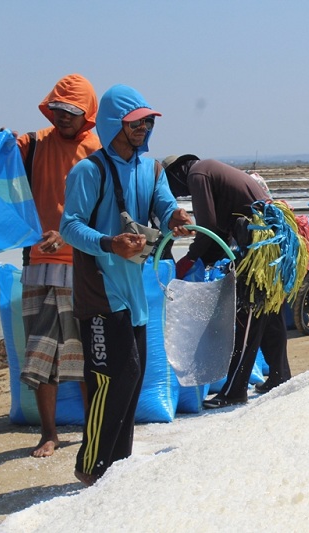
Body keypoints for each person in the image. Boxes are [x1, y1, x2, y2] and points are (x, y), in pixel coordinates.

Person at [60, 85, 192, 485]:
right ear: (115, 123)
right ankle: (91, 467)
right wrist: (108, 243)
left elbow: (165, 204)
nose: (144, 127)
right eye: (137, 122)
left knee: (132, 376)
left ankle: (116, 468)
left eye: (148, 121)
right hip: (100, 292)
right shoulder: (89, 170)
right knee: (107, 378)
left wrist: (174, 217)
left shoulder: (150, 169)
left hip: (135, 296)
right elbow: (69, 227)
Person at [12, 74, 101, 457]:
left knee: (84, 354)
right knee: (40, 352)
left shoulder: (98, 152)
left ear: (88, 113)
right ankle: (49, 432)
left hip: (80, 265)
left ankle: (90, 429)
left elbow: (104, 213)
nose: (63, 116)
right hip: (37, 263)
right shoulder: (34, 143)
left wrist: (68, 236)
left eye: (72, 111)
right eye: (58, 109)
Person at [162, 156, 291, 403]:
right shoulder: (210, 170)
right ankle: (279, 375)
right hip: (271, 241)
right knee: (270, 313)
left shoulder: (198, 174)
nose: (177, 192)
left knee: (248, 317)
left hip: (261, 246)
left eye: (172, 184)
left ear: (177, 171)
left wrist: (189, 259)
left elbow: (207, 225)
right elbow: (220, 228)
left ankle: (234, 391)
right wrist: (208, 258)